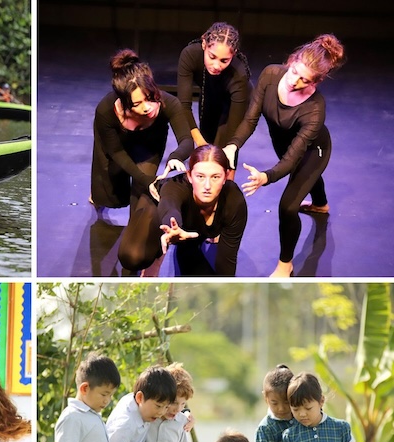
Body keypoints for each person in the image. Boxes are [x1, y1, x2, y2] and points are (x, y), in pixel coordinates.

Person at [222, 34, 347, 277]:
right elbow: (250, 118)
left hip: (313, 151)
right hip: (284, 144)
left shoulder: (314, 109)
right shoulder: (270, 75)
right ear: (292, 60)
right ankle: (320, 204)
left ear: (316, 82)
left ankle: (285, 264)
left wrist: (265, 178)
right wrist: (233, 145)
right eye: (294, 72)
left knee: (288, 206)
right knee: (306, 180)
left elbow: (291, 159)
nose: (295, 81)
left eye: (304, 80)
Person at [118, 144, 247, 276]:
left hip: (189, 231)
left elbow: (227, 259)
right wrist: (173, 227)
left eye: (215, 177)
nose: (207, 186)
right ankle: (157, 256)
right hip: (157, 205)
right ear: (189, 176)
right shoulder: (175, 186)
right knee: (133, 257)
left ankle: (185, 243)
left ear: (225, 177)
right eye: (200, 176)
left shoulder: (234, 200)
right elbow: (169, 206)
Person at [90, 48, 194, 211]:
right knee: (107, 190)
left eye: (150, 98)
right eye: (137, 104)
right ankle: (99, 196)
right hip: (117, 143)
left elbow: (187, 140)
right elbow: (116, 152)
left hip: (150, 143)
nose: (147, 108)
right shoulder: (105, 111)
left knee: (144, 188)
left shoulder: (170, 103)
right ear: (124, 102)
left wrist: (176, 157)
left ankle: (134, 229)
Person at [177, 22, 252, 148]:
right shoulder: (190, 55)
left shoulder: (239, 75)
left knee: (223, 149)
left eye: (224, 60)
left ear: (233, 54)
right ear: (204, 44)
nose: (217, 66)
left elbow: (232, 136)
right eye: (212, 57)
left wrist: (228, 151)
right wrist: (201, 145)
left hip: (235, 103)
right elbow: (183, 105)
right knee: (206, 141)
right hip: (210, 93)